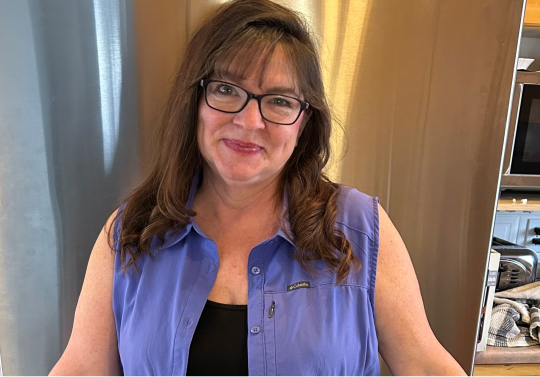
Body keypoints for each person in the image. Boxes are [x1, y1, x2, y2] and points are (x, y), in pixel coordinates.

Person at [49, 0, 466, 375]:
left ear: (303, 124)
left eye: (280, 100)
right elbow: (82, 368)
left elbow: (426, 366)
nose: (250, 122)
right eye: (227, 90)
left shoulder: (358, 227)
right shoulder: (132, 231)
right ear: (195, 99)